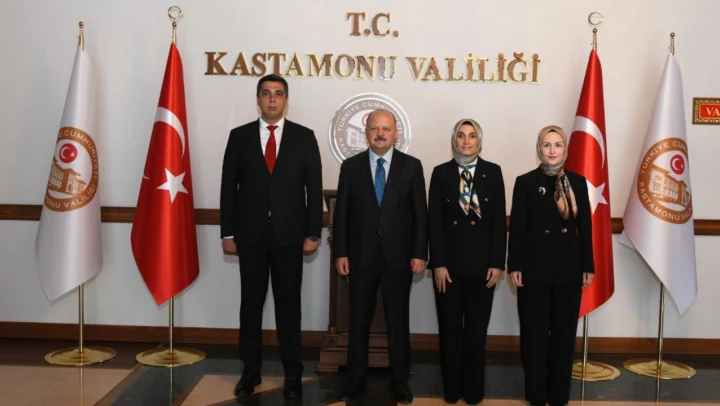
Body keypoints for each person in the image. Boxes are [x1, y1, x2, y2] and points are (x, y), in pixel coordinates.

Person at [219, 74, 323, 399]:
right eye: (266, 93)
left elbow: (315, 188)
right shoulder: (239, 137)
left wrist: (313, 233)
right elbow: (228, 188)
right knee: (250, 308)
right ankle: (250, 374)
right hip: (250, 237)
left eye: (278, 93)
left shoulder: (304, 137)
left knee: (289, 309)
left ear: (286, 100)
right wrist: (227, 232)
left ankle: (293, 375)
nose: (272, 99)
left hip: (289, 237)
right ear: (258, 99)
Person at [332, 109, 428, 404]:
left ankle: (400, 379)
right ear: (367, 133)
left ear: (395, 133)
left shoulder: (412, 166)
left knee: (398, 321)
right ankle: (355, 378)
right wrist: (340, 252)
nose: (380, 134)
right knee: (358, 320)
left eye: (386, 129)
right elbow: (342, 214)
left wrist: (419, 253)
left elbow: (420, 214)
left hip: (398, 258)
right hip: (360, 258)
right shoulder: (351, 167)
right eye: (374, 128)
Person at [507, 125, 594, 406]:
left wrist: (588, 265)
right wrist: (515, 264)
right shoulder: (526, 182)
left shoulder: (578, 182)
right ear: (539, 149)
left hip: (569, 269)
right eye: (546, 145)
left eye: (558, 145)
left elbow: (585, 227)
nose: (552, 150)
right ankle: (536, 394)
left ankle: (558, 396)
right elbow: (518, 227)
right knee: (533, 335)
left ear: (565, 149)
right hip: (534, 269)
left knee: (563, 336)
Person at [427, 119, 506, 405]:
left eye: (472, 136)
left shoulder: (493, 172)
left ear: (479, 141)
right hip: (448, 269)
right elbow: (434, 223)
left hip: (483, 269)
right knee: (450, 331)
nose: (466, 141)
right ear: (454, 140)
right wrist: (438, 263)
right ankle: (451, 391)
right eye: (461, 135)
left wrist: (497, 263)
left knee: (476, 332)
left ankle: (473, 391)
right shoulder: (441, 173)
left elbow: (498, 222)